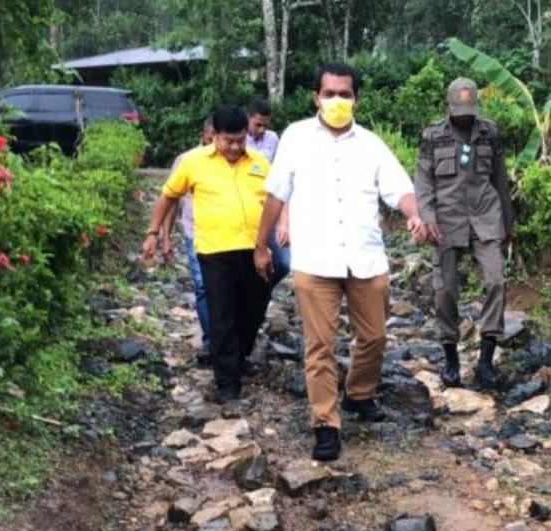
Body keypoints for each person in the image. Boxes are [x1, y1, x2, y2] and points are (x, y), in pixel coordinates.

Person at [254, 62, 429, 461]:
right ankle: (325, 424)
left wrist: (414, 214)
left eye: (344, 94)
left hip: (366, 257)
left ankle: (359, 393)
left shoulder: (370, 144)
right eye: (329, 93)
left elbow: (399, 188)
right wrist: (260, 245)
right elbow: (276, 195)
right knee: (320, 347)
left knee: (375, 336)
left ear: (356, 99)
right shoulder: (296, 138)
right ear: (316, 97)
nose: (336, 101)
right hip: (315, 259)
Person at [142, 106, 272, 403]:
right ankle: (227, 381)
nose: (235, 147)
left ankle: (238, 355)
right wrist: (153, 233)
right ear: (214, 136)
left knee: (254, 308)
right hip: (214, 251)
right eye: (229, 141)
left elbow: (277, 199)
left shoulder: (260, 163)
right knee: (222, 313)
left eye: (240, 140)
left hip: (255, 250)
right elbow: (168, 196)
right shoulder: (193, 162)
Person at [414, 77, 513, 391]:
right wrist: (427, 219)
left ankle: (485, 362)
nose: (465, 117)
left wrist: (507, 226)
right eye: (459, 111)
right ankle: (451, 359)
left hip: (485, 216)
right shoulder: (433, 137)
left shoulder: (489, 132)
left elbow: (500, 181)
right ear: (448, 107)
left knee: (496, 281)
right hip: (446, 221)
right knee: (445, 291)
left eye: (470, 111)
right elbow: (423, 183)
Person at [159, 118, 215, 364]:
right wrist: (165, 237)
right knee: (203, 285)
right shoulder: (186, 161)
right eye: (211, 136)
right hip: (195, 233)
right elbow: (170, 200)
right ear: (204, 135)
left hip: (227, 236)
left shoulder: (232, 160)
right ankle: (211, 340)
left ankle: (227, 338)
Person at [246, 99, 291, 294]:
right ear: (248, 118)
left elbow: (281, 181)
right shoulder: (236, 139)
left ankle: (260, 293)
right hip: (245, 211)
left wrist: (284, 222)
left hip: (269, 208)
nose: (262, 129)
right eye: (257, 124)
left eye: (265, 125)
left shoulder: (272, 139)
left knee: (284, 262)